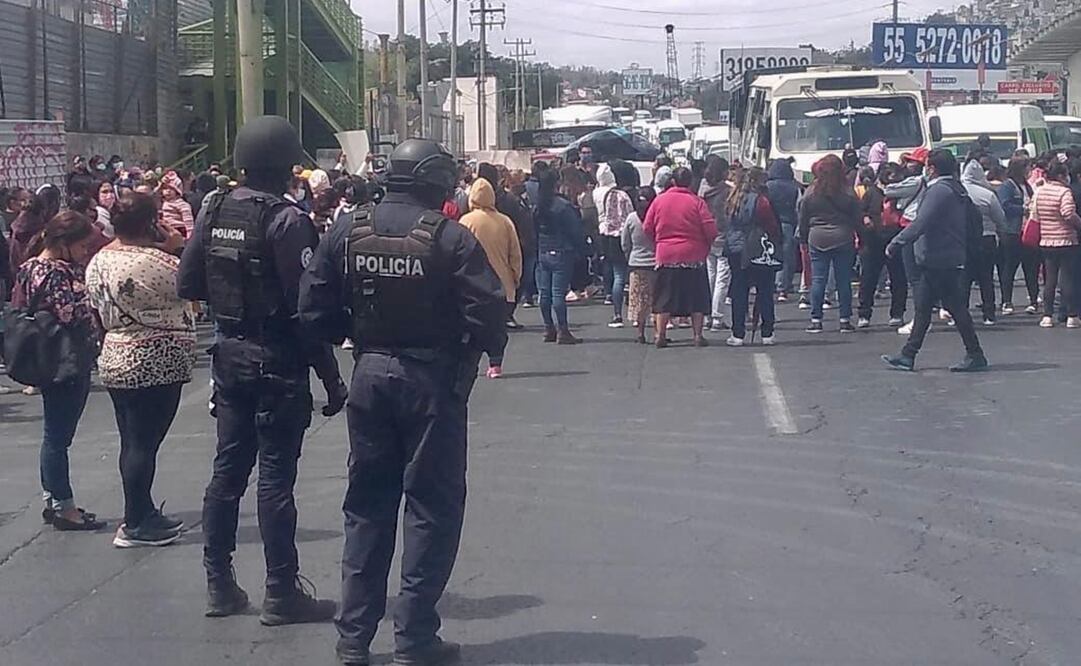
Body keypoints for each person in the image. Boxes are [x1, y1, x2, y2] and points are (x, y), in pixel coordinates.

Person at [297, 138, 506, 666]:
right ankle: (413, 638)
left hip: (370, 373)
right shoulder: (451, 239)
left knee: (366, 506)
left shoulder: (348, 229)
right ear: (436, 181)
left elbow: (313, 308)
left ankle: (353, 639)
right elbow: (489, 315)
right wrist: (474, 349)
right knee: (431, 508)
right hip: (431, 380)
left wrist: (358, 335)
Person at [178, 115, 344, 624]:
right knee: (275, 480)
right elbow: (306, 310)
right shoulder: (287, 221)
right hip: (277, 363)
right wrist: (332, 377)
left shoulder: (213, 208)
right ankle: (280, 591)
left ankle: (219, 584)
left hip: (230, 357)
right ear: (286, 164)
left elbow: (189, 282)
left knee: (226, 473)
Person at [84, 192, 194, 547]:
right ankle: (135, 522)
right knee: (144, 443)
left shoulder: (99, 260)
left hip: (116, 353)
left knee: (132, 441)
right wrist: (176, 247)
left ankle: (142, 509)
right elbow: (193, 284)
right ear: (150, 223)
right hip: (155, 358)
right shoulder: (157, 263)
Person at [10, 211, 106, 530]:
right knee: (58, 436)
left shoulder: (29, 266)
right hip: (67, 357)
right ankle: (64, 505)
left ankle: (53, 499)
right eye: (81, 246)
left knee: (53, 434)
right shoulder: (58, 272)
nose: (84, 252)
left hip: (43, 355)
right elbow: (71, 314)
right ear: (65, 243)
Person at [883, 149, 988, 372]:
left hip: (937, 257)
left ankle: (973, 354)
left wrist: (897, 242)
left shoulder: (939, 191)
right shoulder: (956, 189)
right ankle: (909, 355)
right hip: (948, 254)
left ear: (932, 168)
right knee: (931, 308)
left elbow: (921, 222)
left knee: (947, 308)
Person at [644, 166, 717, 347]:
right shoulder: (696, 202)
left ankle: (660, 335)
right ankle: (697, 335)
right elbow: (710, 229)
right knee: (696, 297)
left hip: (666, 254)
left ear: (673, 181)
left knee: (664, 297)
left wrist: (659, 242)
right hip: (693, 255)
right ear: (691, 182)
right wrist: (705, 244)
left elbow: (647, 227)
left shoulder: (659, 201)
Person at [458, 175, 522, 378]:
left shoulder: (465, 221)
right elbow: (515, 253)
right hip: (502, 284)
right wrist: (515, 277)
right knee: (497, 328)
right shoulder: (505, 221)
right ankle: (495, 364)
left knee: (469, 324)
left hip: (470, 283)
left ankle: (470, 362)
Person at [799, 154, 861, 333]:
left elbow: (803, 218)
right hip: (843, 237)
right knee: (843, 280)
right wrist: (862, 237)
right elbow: (857, 218)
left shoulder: (811, 192)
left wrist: (803, 239)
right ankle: (844, 320)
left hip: (817, 237)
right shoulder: (848, 192)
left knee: (818, 279)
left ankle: (816, 319)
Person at [723, 166, 780, 346]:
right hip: (757, 247)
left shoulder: (732, 199)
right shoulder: (761, 201)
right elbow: (771, 225)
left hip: (735, 247)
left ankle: (738, 334)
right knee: (764, 290)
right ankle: (767, 333)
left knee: (739, 291)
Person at [531, 168, 588, 343]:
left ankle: (549, 328)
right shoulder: (563, 206)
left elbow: (532, 230)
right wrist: (583, 250)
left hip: (543, 250)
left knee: (544, 293)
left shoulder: (537, 206)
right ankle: (563, 330)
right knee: (558, 293)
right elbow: (575, 231)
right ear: (557, 183)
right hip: (562, 251)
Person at [477, 163, 535, 325]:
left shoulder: (470, 203)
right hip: (506, 243)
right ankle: (506, 313)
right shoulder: (508, 200)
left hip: (482, 245)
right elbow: (521, 222)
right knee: (511, 278)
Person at [884, 148, 931, 335]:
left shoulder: (915, 181)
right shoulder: (929, 182)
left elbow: (889, 189)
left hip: (910, 227)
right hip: (923, 228)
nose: (908, 165)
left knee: (914, 277)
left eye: (912, 162)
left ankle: (920, 319)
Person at [856, 165, 907, 328]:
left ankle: (897, 313)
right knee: (869, 278)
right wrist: (865, 218)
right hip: (873, 240)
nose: (893, 179)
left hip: (895, 238)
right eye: (890, 176)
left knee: (898, 278)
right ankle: (864, 314)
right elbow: (860, 211)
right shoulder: (871, 193)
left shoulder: (901, 193)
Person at [1032, 161, 1081, 328]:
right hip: (1066, 239)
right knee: (1067, 278)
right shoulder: (1064, 192)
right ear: (1060, 175)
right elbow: (1068, 213)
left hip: (1046, 239)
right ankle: (1072, 316)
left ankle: (1047, 315)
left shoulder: (1040, 191)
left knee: (1050, 279)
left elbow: (1035, 214)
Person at [960, 159, 1007, 325]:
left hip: (962, 240)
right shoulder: (987, 194)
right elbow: (1000, 218)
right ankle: (989, 314)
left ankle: (961, 313)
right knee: (986, 279)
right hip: (987, 238)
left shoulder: (957, 192)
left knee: (963, 279)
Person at [995, 157, 1039, 315]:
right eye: (1027, 167)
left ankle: (1033, 300)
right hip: (1012, 232)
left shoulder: (1027, 186)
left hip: (1026, 231)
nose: (1029, 171)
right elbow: (1004, 205)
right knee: (1009, 268)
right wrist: (1023, 209)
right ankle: (1007, 301)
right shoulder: (1008, 186)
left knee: (1031, 268)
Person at [596, 160, 637, 327]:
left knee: (616, 275)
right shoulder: (624, 195)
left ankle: (617, 313)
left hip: (608, 237)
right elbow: (630, 215)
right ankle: (635, 313)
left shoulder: (605, 195)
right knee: (627, 276)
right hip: (623, 235)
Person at [622, 186, 658, 343]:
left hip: (636, 262)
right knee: (657, 299)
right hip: (655, 262)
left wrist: (629, 255)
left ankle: (640, 332)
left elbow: (625, 243)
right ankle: (658, 332)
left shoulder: (631, 218)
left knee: (638, 300)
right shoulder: (657, 217)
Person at [700, 156, 731, 332]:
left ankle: (707, 315)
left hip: (707, 236)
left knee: (710, 276)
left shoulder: (703, 192)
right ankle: (717, 316)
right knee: (722, 278)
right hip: (724, 236)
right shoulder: (728, 191)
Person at [765, 158, 800, 303]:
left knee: (769, 254)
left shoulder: (767, 186)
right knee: (786, 257)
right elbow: (798, 208)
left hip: (768, 224)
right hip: (787, 223)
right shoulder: (794, 187)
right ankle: (783, 287)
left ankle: (770, 283)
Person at [159, 170, 195, 238]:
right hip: (166, 230)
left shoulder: (182, 204)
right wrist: (160, 184)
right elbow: (152, 196)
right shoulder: (163, 202)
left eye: (171, 189)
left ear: (178, 192)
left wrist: (189, 237)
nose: (168, 191)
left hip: (180, 230)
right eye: (165, 188)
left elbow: (189, 223)